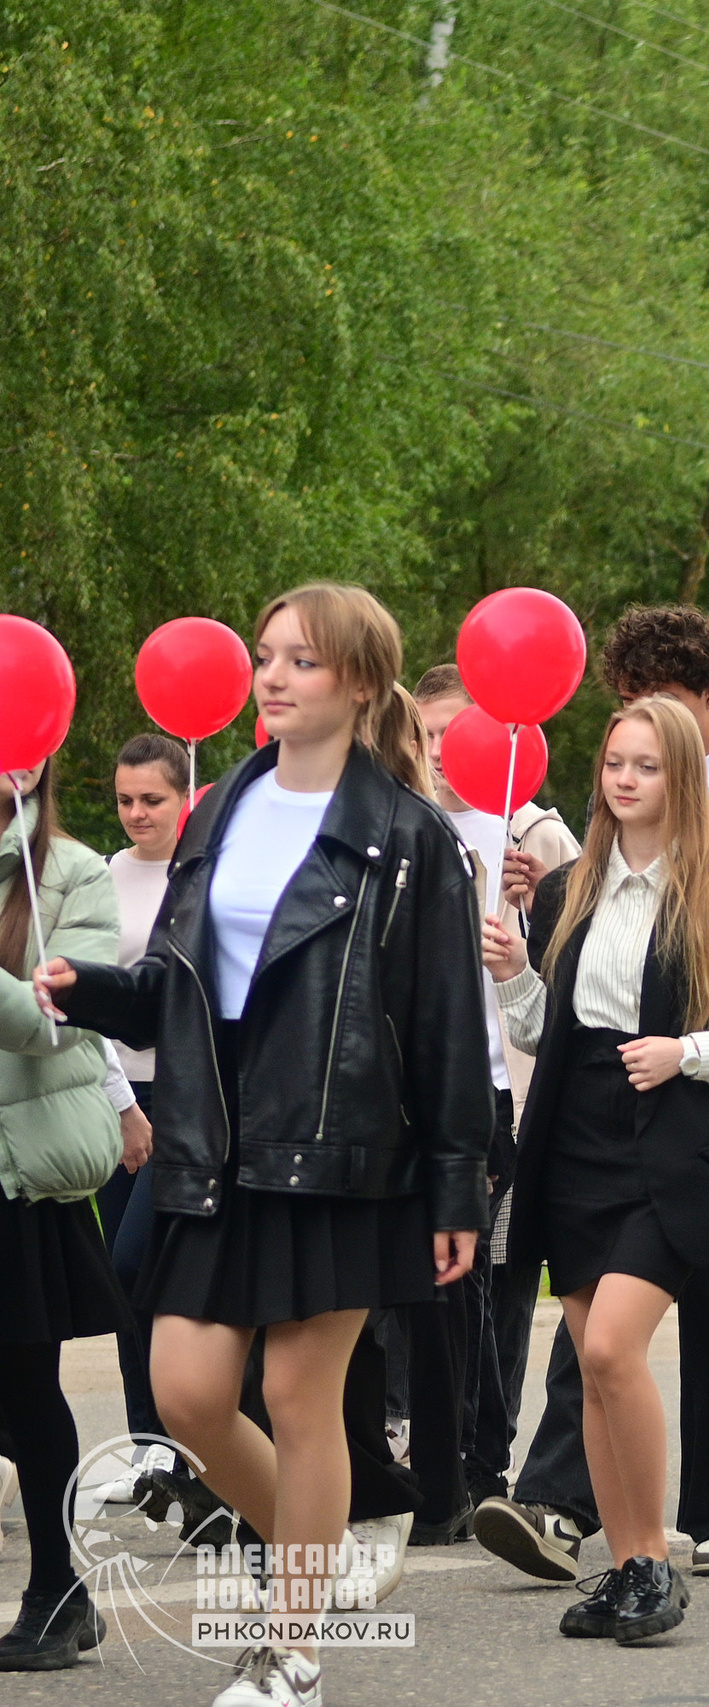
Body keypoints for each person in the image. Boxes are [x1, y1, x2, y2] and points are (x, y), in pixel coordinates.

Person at [42, 584, 492, 1707]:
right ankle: (318, 1539)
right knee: (187, 1395)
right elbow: (179, 987)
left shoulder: (406, 835)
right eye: (265, 656)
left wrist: (457, 1188)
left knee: (300, 1395)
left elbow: (444, 1024)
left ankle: (289, 1650)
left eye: (302, 659)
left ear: (358, 683)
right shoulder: (226, 806)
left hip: (341, 1149)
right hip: (212, 1139)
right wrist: (88, 989)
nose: (274, 676)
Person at [477, 606, 709, 1586]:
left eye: (659, 720)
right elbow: (560, 1019)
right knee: (594, 1351)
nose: (632, 761)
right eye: (621, 733)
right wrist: (516, 962)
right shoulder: (577, 879)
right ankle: (565, 1508)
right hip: (591, 1131)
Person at [413, 669, 582, 1519]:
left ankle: (486, 1453)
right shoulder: (400, 826)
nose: (444, 754)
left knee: (499, 1274)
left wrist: (533, 907)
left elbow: (588, 964)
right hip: (418, 1089)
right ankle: (431, 1444)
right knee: (427, 1282)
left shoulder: (534, 837)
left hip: (506, 1090)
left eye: (457, 735)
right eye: (429, 736)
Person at [0, 754, 127, 1672]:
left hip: (15, 1170)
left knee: (22, 1385)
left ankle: (57, 1586)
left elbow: (57, 1022)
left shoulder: (74, 875)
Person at [90, 734, 184, 1508]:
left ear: (185, 795)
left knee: (145, 1264)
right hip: (121, 1099)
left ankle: (193, 1439)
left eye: (151, 798)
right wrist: (123, 1108)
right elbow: (92, 1006)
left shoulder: (203, 879)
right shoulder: (103, 877)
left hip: (194, 1101)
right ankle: (150, 1448)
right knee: (125, 1283)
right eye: (124, 799)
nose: (135, 813)